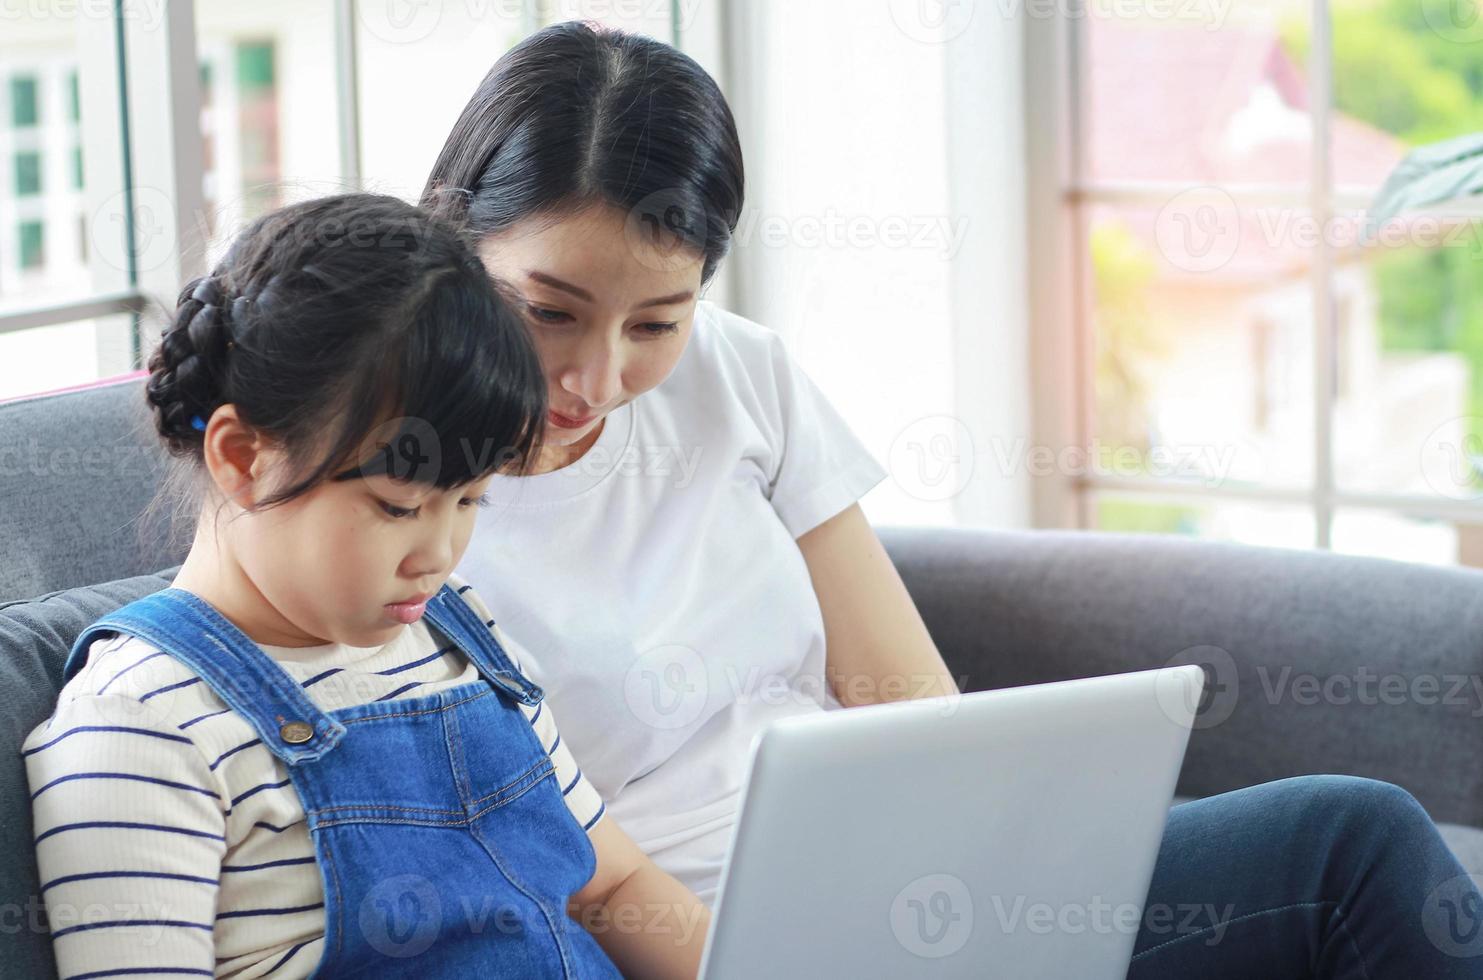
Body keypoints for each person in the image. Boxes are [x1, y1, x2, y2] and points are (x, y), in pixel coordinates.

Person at [428, 21, 1483, 977]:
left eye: (656, 322)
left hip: (898, 884)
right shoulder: (387, 499)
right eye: (548, 312)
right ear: (454, 237)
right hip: (683, 937)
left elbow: (910, 704)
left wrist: (1000, 877)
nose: (596, 380)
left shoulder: (741, 375)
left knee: (1351, 836)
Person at [22, 193, 709, 978]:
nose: (439, 554)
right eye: (398, 506)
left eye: (470, 500)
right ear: (243, 457)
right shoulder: (142, 723)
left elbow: (612, 885)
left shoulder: (456, 635)